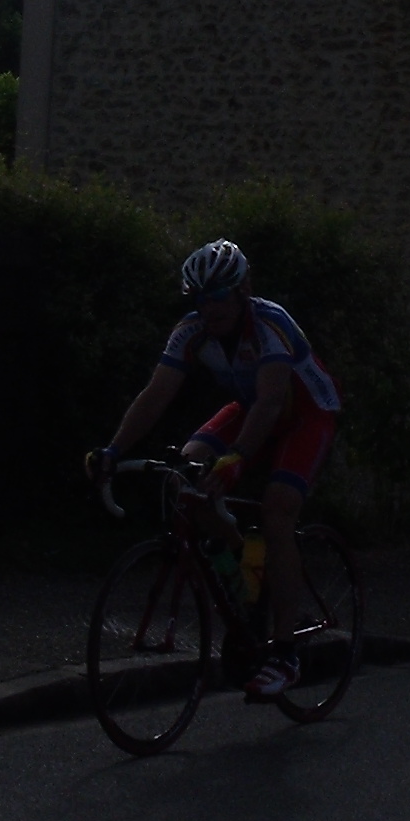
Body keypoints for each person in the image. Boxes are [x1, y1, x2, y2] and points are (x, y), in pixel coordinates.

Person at [91, 238, 340, 697]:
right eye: (201, 299)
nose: (210, 308)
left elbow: (271, 403)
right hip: (251, 408)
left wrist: (236, 459)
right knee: (184, 476)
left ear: (243, 291)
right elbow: (155, 395)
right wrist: (113, 450)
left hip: (305, 414)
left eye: (219, 296)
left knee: (278, 509)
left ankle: (286, 653)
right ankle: (248, 570)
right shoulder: (191, 331)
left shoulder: (271, 324)